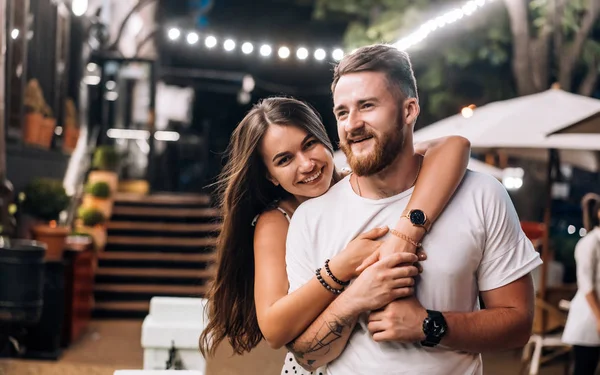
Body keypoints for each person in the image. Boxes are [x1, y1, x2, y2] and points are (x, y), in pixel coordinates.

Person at [284, 44, 543, 375]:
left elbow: (518, 323)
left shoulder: (481, 194)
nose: (352, 124)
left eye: (367, 106)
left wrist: (430, 325)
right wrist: (354, 300)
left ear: (409, 111)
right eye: (342, 112)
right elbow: (307, 356)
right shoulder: (311, 218)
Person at [198, 97, 471, 374]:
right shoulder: (277, 221)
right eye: (285, 160)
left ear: (327, 139)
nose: (306, 164)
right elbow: (274, 328)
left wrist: (407, 234)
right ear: (270, 176)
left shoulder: (364, 183)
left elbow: (453, 145)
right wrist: (341, 267)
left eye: (309, 144)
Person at [563, 194, 600, 375]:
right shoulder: (590, 242)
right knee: (584, 368)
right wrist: (599, 317)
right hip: (589, 319)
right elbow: (586, 284)